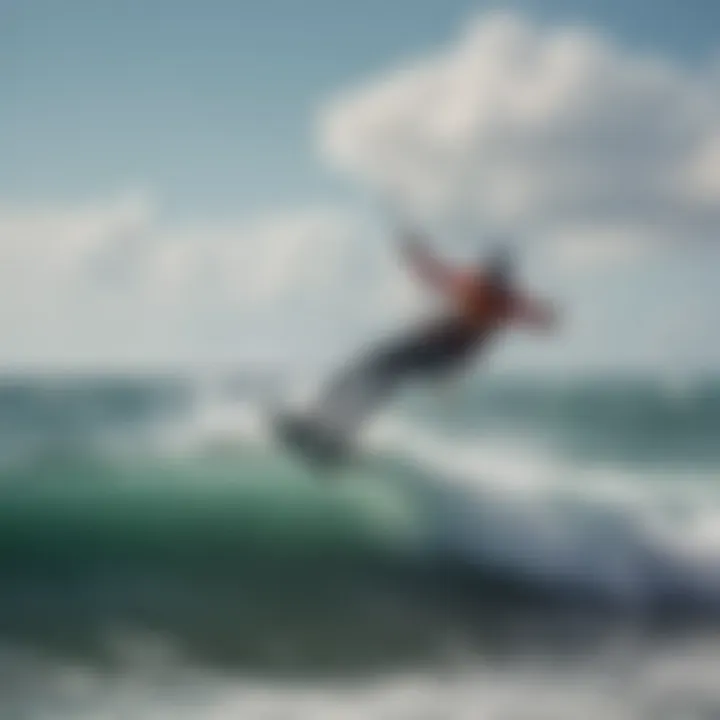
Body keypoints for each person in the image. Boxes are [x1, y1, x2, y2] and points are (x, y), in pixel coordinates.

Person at [276, 232, 557, 464]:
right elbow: (436, 274)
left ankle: (337, 436)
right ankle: (319, 421)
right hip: (431, 343)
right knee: (366, 367)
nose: (488, 280)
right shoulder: (477, 286)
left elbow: (539, 319)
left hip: (445, 352)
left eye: (493, 277)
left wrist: (535, 313)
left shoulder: (502, 301)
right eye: (488, 275)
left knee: (381, 377)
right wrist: (414, 253)